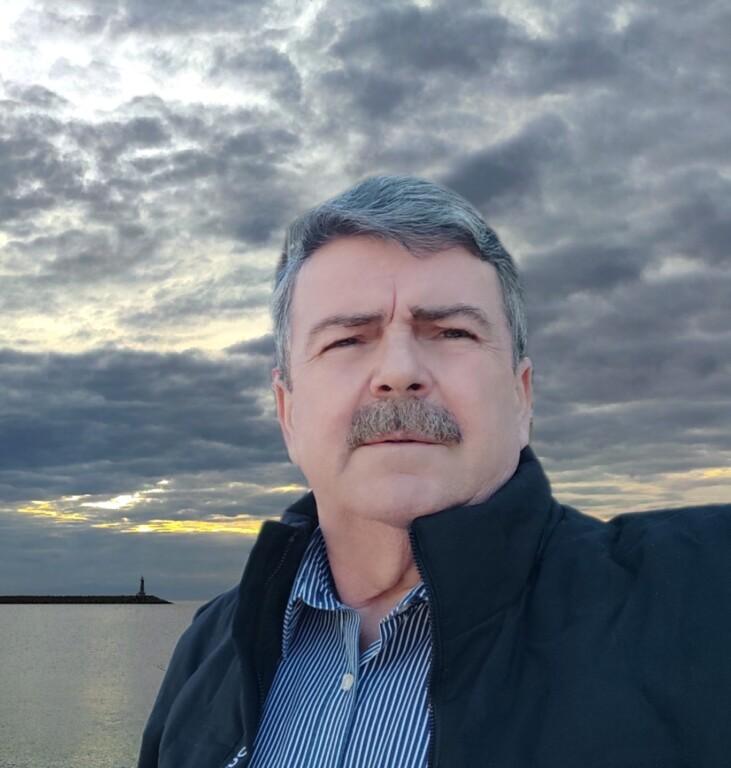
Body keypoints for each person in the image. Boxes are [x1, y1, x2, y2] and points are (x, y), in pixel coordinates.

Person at [138, 176, 730, 768]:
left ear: (521, 398)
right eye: (347, 340)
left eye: (451, 332)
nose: (399, 371)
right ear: (288, 412)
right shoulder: (210, 649)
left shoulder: (697, 602)